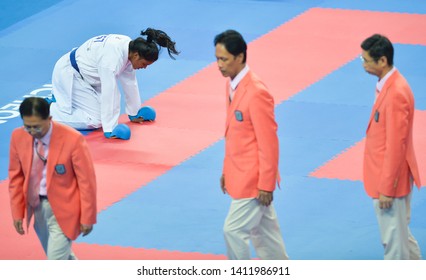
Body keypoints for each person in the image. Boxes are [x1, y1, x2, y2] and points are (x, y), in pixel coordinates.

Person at [214, 30, 289, 260]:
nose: (219, 65)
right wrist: (227, 170)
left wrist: (266, 184)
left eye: (224, 59)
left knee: (233, 231)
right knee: (267, 240)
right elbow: (234, 135)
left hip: (254, 181)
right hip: (240, 172)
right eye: (217, 58)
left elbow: (269, 141)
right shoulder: (233, 85)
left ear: (239, 57)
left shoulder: (257, 93)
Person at [8, 97, 97, 259]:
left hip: (66, 207)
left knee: (55, 260)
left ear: (49, 119)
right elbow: (16, 178)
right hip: (36, 206)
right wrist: (17, 212)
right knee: (62, 257)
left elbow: (87, 182)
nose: (32, 132)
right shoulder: (18, 136)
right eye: (28, 127)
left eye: (37, 127)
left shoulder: (73, 139)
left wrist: (87, 216)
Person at [49, 28, 179, 139]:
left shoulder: (129, 48)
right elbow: (110, 92)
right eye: (144, 64)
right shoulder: (111, 59)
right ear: (136, 55)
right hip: (71, 75)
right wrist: (110, 128)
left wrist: (134, 113)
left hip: (89, 78)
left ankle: (63, 100)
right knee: (95, 120)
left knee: (101, 110)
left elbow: (130, 81)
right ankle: (45, 111)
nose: (144, 68)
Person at [361, 34, 422, 260]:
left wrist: (386, 188)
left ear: (382, 61)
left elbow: (397, 145)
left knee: (394, 244)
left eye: (366, 60)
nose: (363, 64)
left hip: (390, 181)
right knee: (401, 236)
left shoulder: (396, 93)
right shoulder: (387, 85)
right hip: (385, 174)